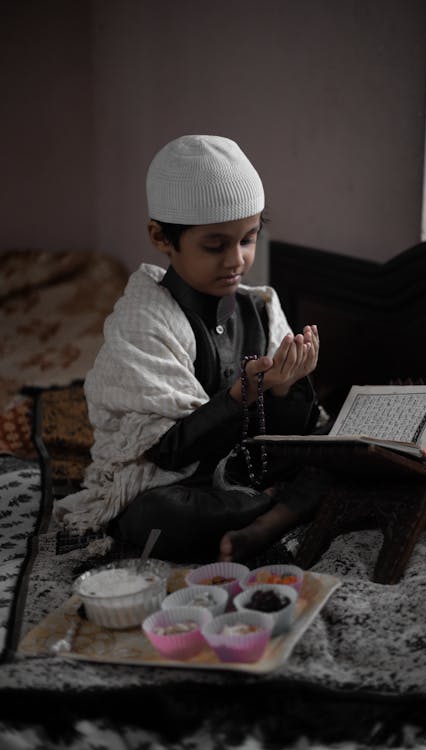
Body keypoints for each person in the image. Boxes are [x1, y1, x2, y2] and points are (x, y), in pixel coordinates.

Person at [54, 134, 329, 563]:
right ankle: (279, 512)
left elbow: (293, 433)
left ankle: (262, 523)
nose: (236, 259)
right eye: (215, 245)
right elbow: (166, 451)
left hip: (251, 466)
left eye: (248, 239)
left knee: (340, 455)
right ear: (161, 237)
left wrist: (287, 387)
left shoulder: (260, 309)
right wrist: (243, 394)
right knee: (159, 517)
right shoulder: (144, 322)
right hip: (177, 481)